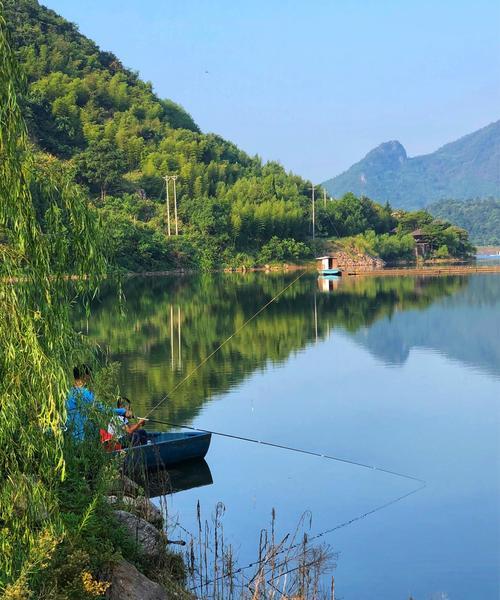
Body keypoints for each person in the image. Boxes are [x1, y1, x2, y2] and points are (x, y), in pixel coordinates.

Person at [66, 365, 131, 440]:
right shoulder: (86, 394)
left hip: (70, 437)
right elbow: (104, 410)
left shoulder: (67, 393)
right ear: (86, 376)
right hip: (84, 437)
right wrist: (123, 411)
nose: (91, 378)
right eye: (90, 375)